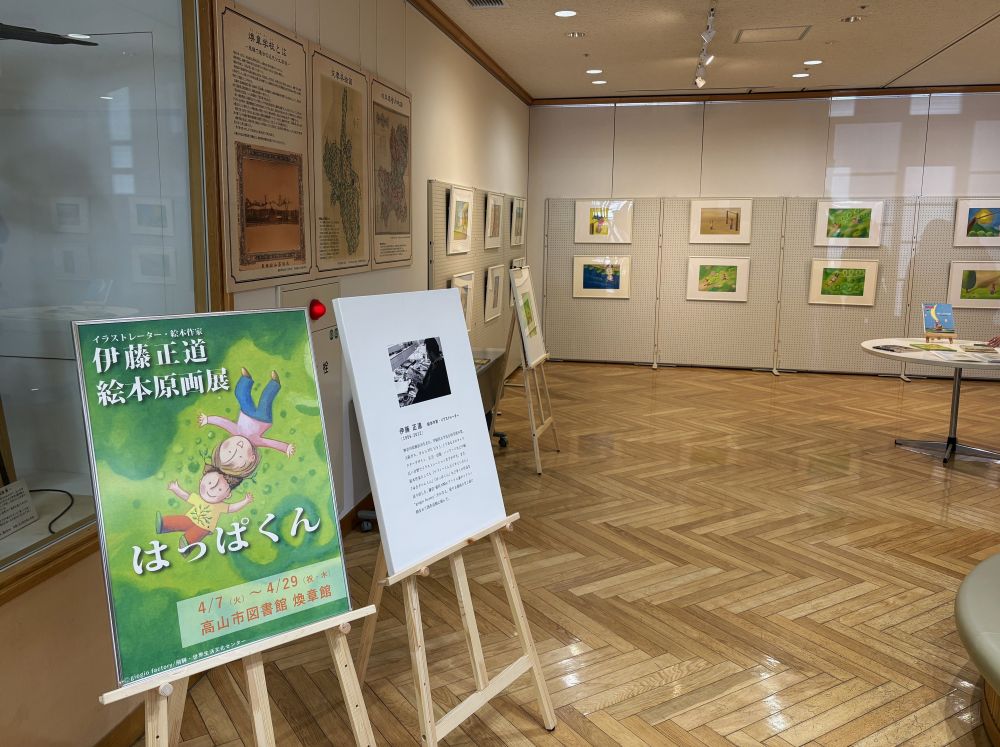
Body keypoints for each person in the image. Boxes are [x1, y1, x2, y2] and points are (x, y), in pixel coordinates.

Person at [199, 367, 295, 483]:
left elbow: (223, 422)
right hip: (263, 418)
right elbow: (270, 443)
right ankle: (275, 383)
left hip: (246, 411)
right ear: (251, 458)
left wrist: (208, 419)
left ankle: (246, 379)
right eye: (240, 456)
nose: (237, 447)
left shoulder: (236, 430)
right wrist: (286, 448)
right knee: (266, 399)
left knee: (240, 394)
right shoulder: (254, 441)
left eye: (229, 449)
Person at [157, 465, 253, 550]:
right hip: (190, 519)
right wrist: (176, 489)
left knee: (195, 533)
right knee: (180, 521)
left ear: (227, 495)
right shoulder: (198, 498)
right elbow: (185, 496)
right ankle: (164, 524)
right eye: (209, 483)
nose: (211, 489)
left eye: (220, 489)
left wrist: (245, 501)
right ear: (201, 481)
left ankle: (187, 544)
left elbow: (232, 508)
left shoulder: (220, 506)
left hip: (204, 527)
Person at [412, 338, 451, 404]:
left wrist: (416, 383)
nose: (427, 355)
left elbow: (427, 391)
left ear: (431, 353)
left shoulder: (438, 370)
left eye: (427, 353)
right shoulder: (440, 361)